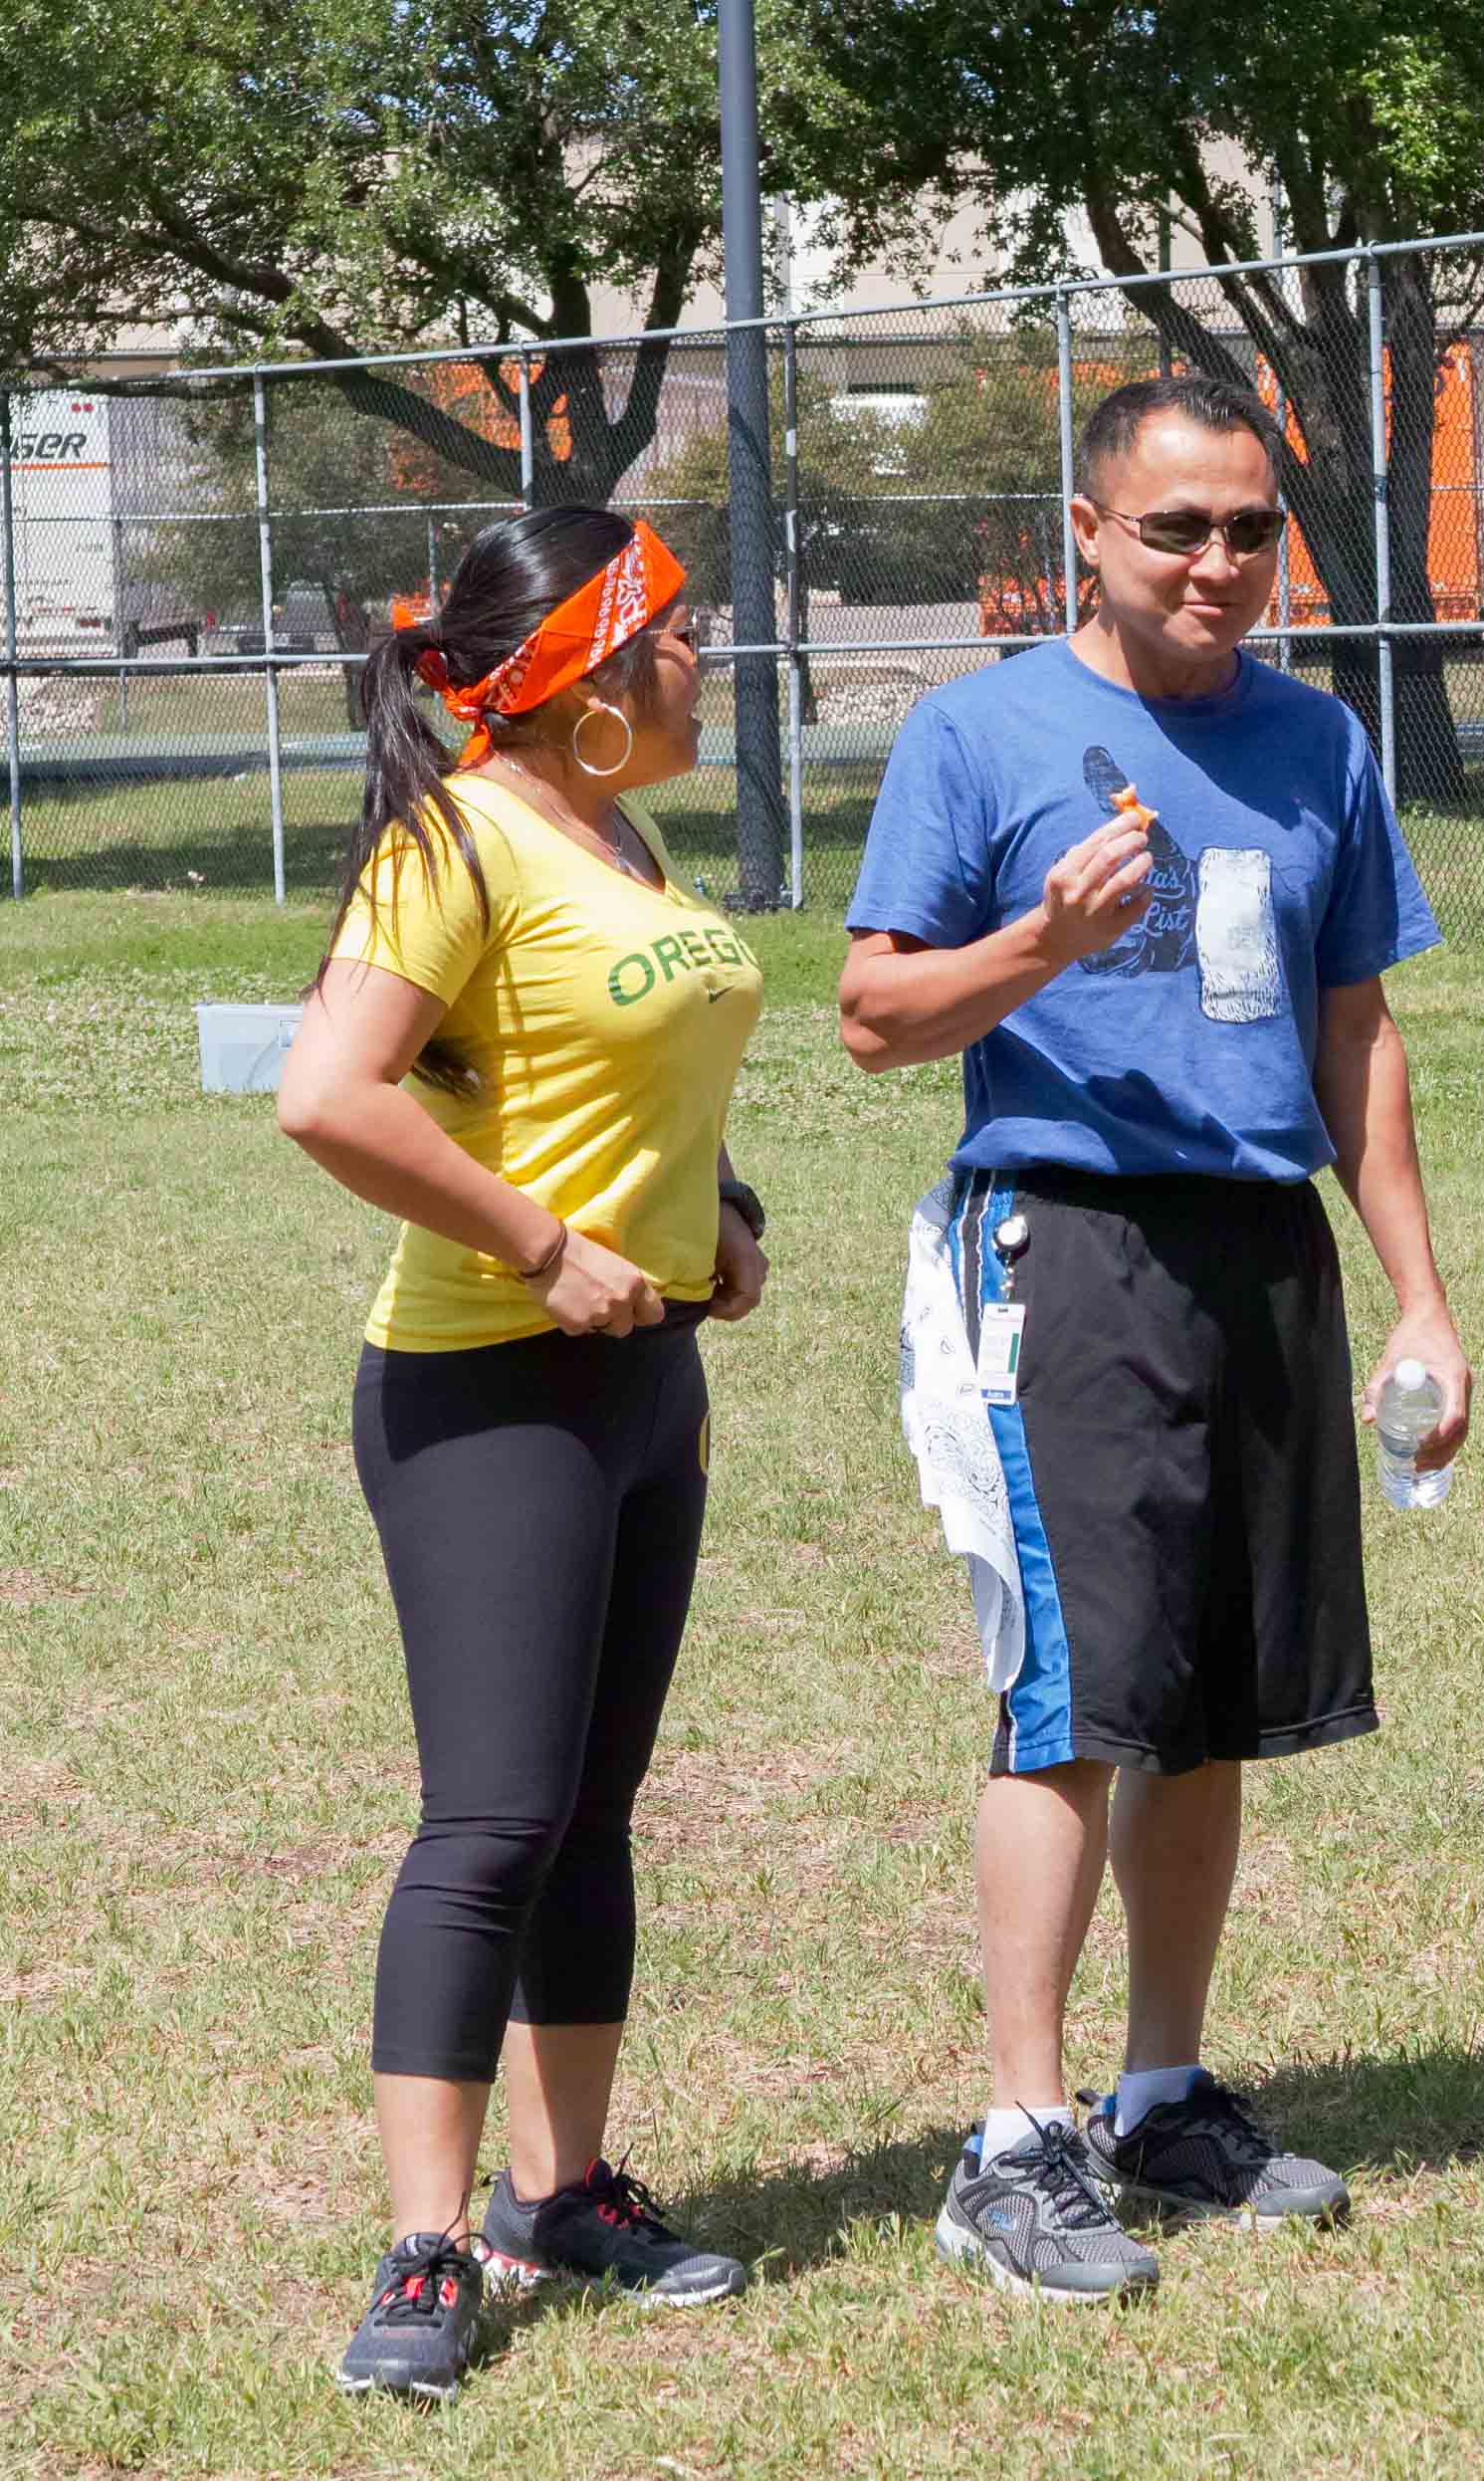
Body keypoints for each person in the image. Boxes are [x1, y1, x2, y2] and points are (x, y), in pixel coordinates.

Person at [840, 374, 1467, 2304]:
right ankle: (1013, 2144)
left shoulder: (1317, 740)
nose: (1217, 562)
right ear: (1089, 535)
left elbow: (1355, 1029)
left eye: (1251, 528)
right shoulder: (980, 733)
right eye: (1176, 526)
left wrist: (1420, 1294)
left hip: (1260, 1246)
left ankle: (1163, 2092)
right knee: (1075, 1699)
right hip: (1066, 1244)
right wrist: (1036, 943)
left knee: (1211, 1697)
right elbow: (872, 1016)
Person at [276, 508, 769, 2399]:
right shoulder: (456, 839)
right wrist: (545, 1246)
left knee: (592, 1812)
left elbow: (613, 1074)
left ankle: (562, 2189)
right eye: (683, 630)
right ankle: (427, 2244)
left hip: (644, 1390)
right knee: (490, 1819)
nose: (708, 659)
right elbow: (328, 1094)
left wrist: (717, 1211)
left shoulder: (614, 832)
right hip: (485, 1394)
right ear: (590, 672)